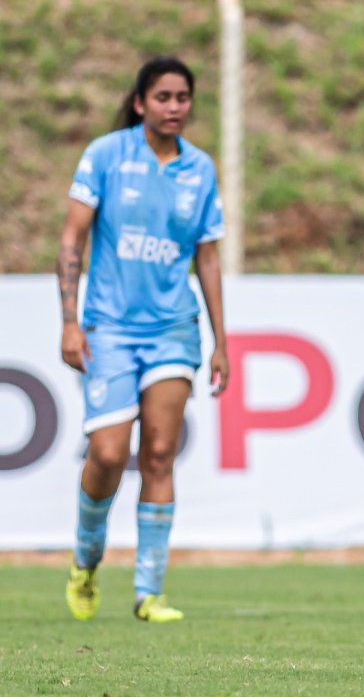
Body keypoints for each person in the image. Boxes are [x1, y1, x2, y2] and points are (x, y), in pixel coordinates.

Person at [57, 55, 229, 624]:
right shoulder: (106, 155)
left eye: (183, 97)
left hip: (174, 330)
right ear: (140, 102)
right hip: (108, 326)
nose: (174, 106)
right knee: (108, 453)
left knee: (159, 453)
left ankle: (148, 593)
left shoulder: (200, 169)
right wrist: (69, 319)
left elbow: (207, 258)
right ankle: (85, 561)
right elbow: (70, 242)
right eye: (163, 97)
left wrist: (220, 341)